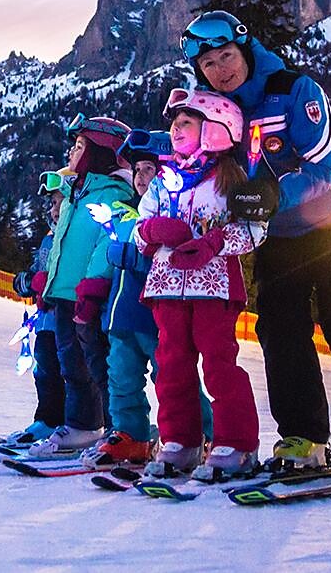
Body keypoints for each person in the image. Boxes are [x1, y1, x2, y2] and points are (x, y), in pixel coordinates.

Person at [181, 10, 331, 472]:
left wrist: (272, 193)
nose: (220, 70)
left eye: (227, 56)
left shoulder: (295, 90)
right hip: (277, 235)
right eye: (208, 64)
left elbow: (324, 168)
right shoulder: (215, 111)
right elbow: (192, 153)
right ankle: (304, 438)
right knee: (280, 328)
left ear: (245, 50)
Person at [134, 89, 266, 480]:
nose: (175, 128)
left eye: (186, 121)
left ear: (214, 129)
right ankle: (180, 440)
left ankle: (237, 442)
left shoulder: (230, 178)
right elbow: (138, 233)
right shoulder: (163, 180)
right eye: (174, 122)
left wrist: (214, 242)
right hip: (166, 284)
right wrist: (152, 229)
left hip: (214, 287)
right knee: (171, 365)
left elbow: (255, 229)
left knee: (219, 364)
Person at [80, 129, 214, 470]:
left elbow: (164, 257)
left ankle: (204, 433)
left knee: (172, 378)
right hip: (120, 314)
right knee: (121, 378)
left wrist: (126, 255)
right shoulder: (125, 215)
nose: (140, 178)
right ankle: (131, 435)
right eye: (137, 170)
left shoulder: (172, 213)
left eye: (149, 171)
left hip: (154, 315)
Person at [28, 115, 133, 458]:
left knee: (96, 364)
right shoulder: (75, 193)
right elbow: (59, 242)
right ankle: (82, 425)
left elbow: (107, 242)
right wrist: (49, 282)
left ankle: (110, 426)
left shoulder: (114, 193)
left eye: (79, 146)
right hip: (63, 293)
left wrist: (93, 284)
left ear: (101, 152)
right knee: (69, 362)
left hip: (87, 296)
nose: (72, 152)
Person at [9, 168, 72, 443]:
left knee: (70, 370)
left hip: (69, 316)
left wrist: (46, 280)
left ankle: (77, 421)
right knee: (44, 368)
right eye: (52, 203)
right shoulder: (49, 238)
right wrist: (26, 280)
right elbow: (38, 269)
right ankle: (47, 419)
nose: (54, 209)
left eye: (59, 202)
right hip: (46, 319)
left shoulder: (75, 235)